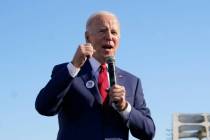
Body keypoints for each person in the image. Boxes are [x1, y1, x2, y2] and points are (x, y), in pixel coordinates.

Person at [35, 11, 155, 140]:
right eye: (102, 31)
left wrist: (124, 107)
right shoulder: (68, 72)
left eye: (114, 32)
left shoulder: (132, 82)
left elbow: (148, 131)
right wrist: (74, 66)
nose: (109, 37)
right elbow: (44, 107)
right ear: (88, 37)